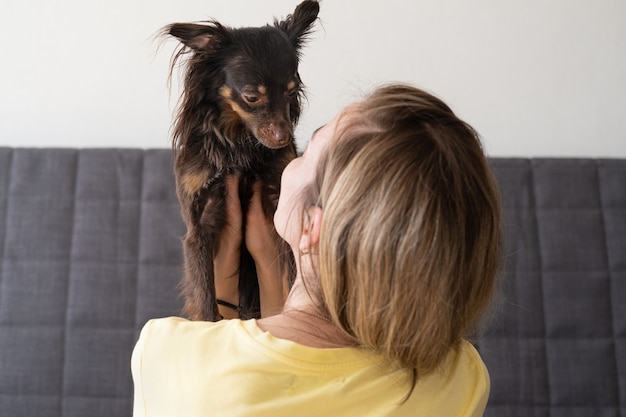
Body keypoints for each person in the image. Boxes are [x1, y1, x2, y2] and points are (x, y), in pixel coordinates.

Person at [131, 84, 502, 416]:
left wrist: (222, 281)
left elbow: (246, 379)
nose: (289, 157)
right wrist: (268, 263)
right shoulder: (461, 376)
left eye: (307, 153)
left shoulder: (168, 354)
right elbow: (306, 377)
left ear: (312, 226)